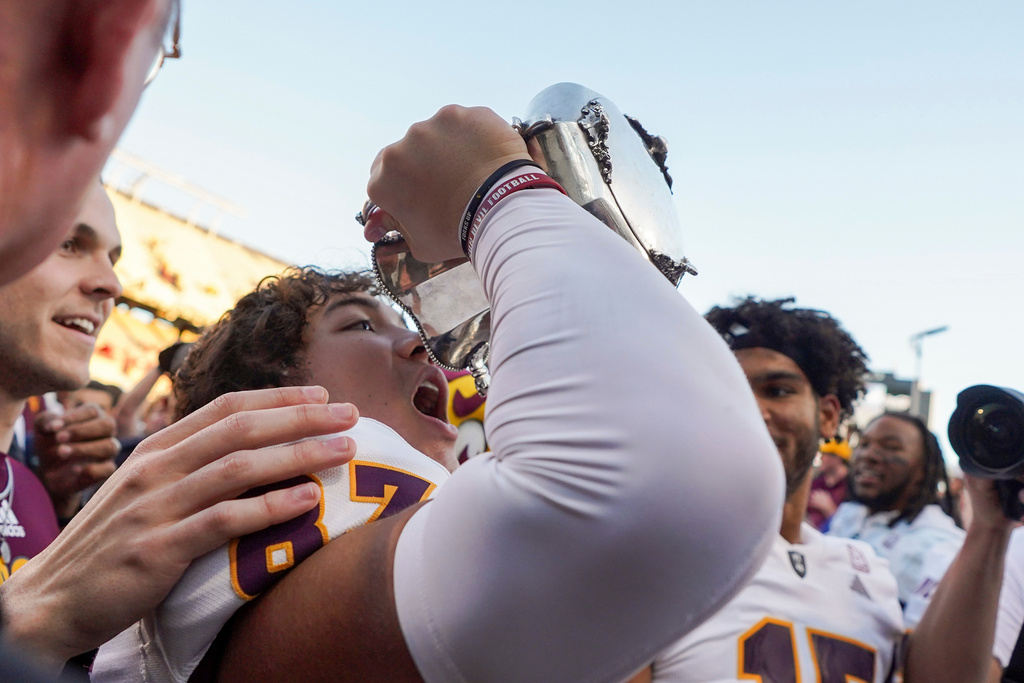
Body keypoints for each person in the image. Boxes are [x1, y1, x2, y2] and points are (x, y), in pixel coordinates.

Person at [96, 105, 787, 683]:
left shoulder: (434, 515)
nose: (418, 345)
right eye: (361, 324)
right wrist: (494, 191)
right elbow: (675, 475)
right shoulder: (307, 484)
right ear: (271, 388)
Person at [0, 0, 361, 672]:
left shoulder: (31, 493)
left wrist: (58, 502)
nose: (108, 283)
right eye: (71, 242)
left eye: (113, 256)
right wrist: (31, 614)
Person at [629, 297, 1023, 683]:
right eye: (729, 390)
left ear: (829, 415)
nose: (751, 408)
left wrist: (990, 526)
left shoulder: (866, 570)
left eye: (777, 390)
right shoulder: (653, 556)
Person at [828, 411, 965, 625]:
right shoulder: (849, 514)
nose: (868, 455)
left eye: (890, 447)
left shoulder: (941, 547)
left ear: (923, 470)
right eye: (863, 444)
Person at [806, 437, 850, 530]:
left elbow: (849, 528)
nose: (820, 458)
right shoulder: (816, 481)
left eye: (824, 454)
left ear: (837, 458)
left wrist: (829, 509)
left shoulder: (851, 488)